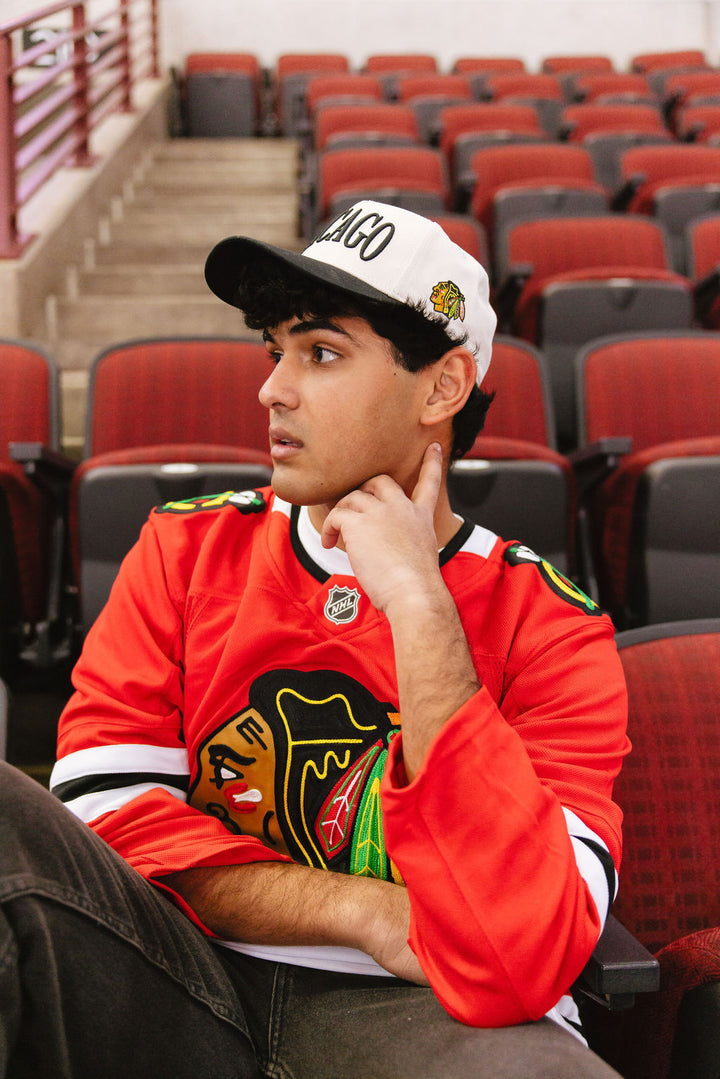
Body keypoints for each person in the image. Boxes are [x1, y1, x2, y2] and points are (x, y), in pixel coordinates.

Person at [0, 201, 629, 1078]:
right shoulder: (184, 549)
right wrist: (365, 909)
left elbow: (523, 947)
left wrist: (418, 607)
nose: (272, 389)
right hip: (176, 966)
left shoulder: (551, 624)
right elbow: (107, 827)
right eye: (276, 351)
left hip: (423, 1007)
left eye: (321, 353)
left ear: (442, 387)